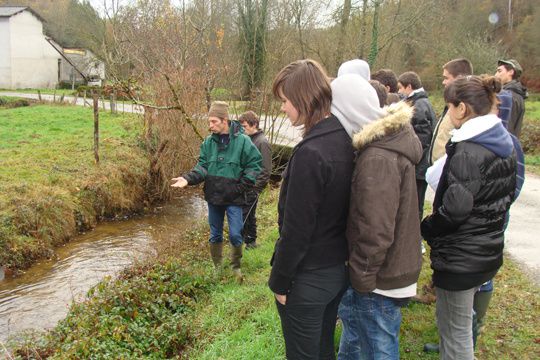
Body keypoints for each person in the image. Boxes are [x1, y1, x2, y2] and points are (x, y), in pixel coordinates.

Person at [421, 75, 517, 360]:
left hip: (461, 258)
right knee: (459, 328)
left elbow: (456, 210)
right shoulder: (503, 142)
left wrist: (428, 226)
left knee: (455, 335)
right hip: (484, 251)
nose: (448, 114)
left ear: (461, 108)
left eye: (449, 107)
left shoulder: (467, 151)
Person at [333, 74, 423, 359]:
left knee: (377, 347)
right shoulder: (383, 146)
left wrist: (362, 276)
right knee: (357, 339)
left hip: (380, 277)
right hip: (384, 270)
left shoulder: (377, 158)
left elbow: (375, 228)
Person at [268, 59, 354, 360]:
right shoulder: (344, 139)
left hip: (308, 278)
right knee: (323, 350)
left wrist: (279, 281)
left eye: (286, 101)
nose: (283, 108)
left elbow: (296, 230)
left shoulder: (311, 153)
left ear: (303, 99)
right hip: (336, 272)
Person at [171, 101, 262, 282]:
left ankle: (236, 268)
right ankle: (217, 268)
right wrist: (187, 179)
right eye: (209, 121)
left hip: (235, 198)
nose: (210, 125)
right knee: (215, 234)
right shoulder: (207, 143)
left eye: (213, 121)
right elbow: (202, 167)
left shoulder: (243, 141)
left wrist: (241, 187)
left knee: (236, 234)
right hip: (214, 197)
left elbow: (254, 166)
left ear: (224, 120)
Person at [397, 71, 437, 250]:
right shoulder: (421, 102)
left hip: (419, 166)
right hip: (419, 165)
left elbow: (422, 139)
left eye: (400, 88)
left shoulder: (419, 106)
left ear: (409, 86)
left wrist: (412, 159)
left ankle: (415, 240)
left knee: (415, 204)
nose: (400, 91)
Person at [238, 111, 272, 249]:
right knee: (249, 216)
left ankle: (237, 247)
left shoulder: (262, 142)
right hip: (243, 186)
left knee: (242, 217)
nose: (242, 130)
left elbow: (266, 170)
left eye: (245, 126)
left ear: (255, 125)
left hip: (252, 188)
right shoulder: (246, 139)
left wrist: (255, 189)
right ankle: (251, 243)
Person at [430, 58, 473, 165]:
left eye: (446, 78)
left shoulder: (467, 108)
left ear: (459, 78)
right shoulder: (452, 103)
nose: (443, 82)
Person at [494, 59, 528, 138]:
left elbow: (506, 127)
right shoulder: (517, 94)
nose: (496, 75)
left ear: (511, 72)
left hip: (503, 145)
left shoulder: (509, 96)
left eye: (499, 71)